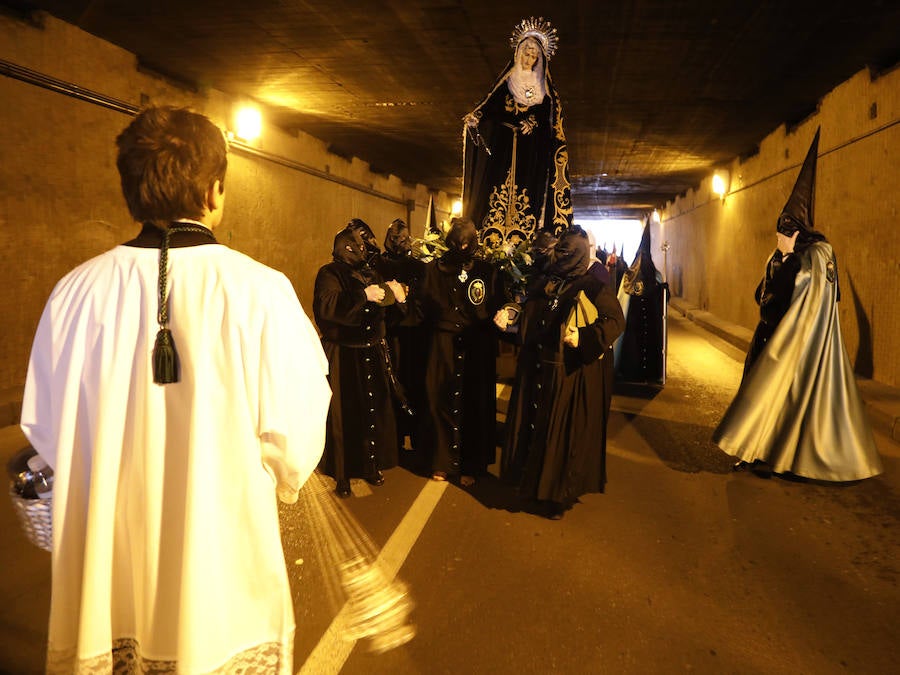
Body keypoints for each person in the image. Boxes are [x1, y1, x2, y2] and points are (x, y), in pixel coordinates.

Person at [19, 106, 331, 674]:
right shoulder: (261, 292)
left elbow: (45, 435)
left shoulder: (73, 294)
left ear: (129, 192)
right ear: (215, 191)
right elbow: (295, 443)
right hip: (219, 577)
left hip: (109, 574)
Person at [713, 128, 882, 481]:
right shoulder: (781, 255)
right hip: (768, 337)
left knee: (785, 399)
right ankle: (752, 450)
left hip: (795, 343)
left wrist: (788, 263)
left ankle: (779, 454)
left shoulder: (817, 254)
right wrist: (779, 264)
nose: (777, 239)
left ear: (796, 232)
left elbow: (811, 298)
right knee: (759, 395)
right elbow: (763, 293)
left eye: (782, 233)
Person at [498, 226, 625, 519]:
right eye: (561, 251)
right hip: (539, 369)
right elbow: (528, 314)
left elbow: (615, 321)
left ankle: (556, 496)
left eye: (569, 252)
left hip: (568, 373)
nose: (562, 257)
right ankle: (533, 486)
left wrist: (585, 337)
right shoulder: (546, 282)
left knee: (560, 434)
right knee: (537, 430)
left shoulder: (594, 287)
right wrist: (509, 319)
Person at [314, 226, 408, 497]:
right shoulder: (329, 273)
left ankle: (370, 464)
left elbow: (384, 309)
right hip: (344, 354)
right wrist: (362, 295)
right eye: (358, 246)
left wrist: (396, 296)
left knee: (372, 411)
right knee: (342, 417)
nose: (363, 250)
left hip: (371, 351)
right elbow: (327, 306)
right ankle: (341, 473)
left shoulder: (370, 271)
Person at [462, 16, 573, 244]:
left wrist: (532, 123)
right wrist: (476, 116)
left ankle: (523, 234)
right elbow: (490, 105)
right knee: (495, 185)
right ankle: (491, 232)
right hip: (502, 143)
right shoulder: (508, 81)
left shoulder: (544, 89)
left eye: (534, 55)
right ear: (519, 52)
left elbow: (549, 120)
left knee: (526, 188)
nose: (530, 58)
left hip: (529, 149)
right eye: (527, 53)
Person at [416, 217, 503, 485]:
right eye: (458, 243)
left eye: (467, 243)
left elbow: (504, 303)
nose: (463, 247)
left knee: (473, 403)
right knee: (437, 400)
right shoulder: (432, 271)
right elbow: (420, 308)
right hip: (442, 345)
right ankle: (440, 461)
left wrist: (505, 314)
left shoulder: (488, 272)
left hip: (476, 345)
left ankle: (470, 464)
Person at [379, 219, 427, 455]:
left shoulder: (416, 269)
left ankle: (403, 439)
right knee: (396, 387)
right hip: (395, 337)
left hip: (405, 338)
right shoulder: (379, 265)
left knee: (404, 387)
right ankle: (401, 439)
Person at [613, 218, 668, 385]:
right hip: (634, 325)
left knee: (649, 348)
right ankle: (632, 371)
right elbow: (624, 298)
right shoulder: (629, 276)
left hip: (650, 323)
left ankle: (650, 372)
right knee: (633, 349)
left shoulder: (656, 276)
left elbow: (664, 302)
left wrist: (664, 289)